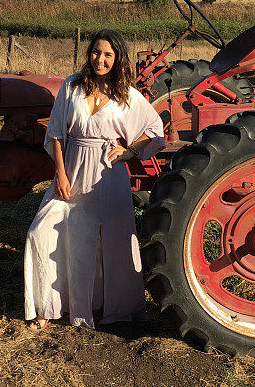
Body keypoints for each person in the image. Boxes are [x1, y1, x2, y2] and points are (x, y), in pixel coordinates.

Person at [24, 29, 165, 330]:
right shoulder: (72, 86)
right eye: (96, 52)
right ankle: (47, 307)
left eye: (108, 55)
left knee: (111, 242)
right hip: (72, 170)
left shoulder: (126, 95)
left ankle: (110, 306)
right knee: (43, 232)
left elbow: (155, 128)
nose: (100, 59)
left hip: (107, 175)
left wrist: (129, 151)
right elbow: (57, 133)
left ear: (118, 60)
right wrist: (60, 174)